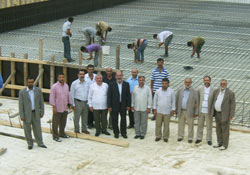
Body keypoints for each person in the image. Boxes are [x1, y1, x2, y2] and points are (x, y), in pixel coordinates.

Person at [18, 77, 47, 150]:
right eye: (29, 82)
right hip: (27, 114)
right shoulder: (22, 92)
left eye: (31, 82)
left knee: (37, 129)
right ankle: (30, 144)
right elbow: (20, 105)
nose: (30, 84)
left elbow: (41, 102)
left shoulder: (38, 91)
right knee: (27, 129)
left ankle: (40, 143)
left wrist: (42, 112)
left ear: (34, 82)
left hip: (36, 113)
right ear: (26, 82)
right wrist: (21, 115)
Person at [212, 79, 235, 150]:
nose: (222, 85)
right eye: (221, 83)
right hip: (217, 113)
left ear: (226, 84)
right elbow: (214, 101)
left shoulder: (230, 93)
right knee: (218, 129)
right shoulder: (216, 91)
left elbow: (233, 104)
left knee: (225, 130)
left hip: (225, 114)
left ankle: (225, 145)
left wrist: (231, 115)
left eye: (224, 84)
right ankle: (219, 142)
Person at [107, 71, 131, 139]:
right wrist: (109, 106)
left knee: (123, 119)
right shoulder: (111, 84)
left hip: (123, 105)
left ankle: (123, 133)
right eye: (118, 76)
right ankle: (116, 133)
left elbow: (128, 96)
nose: (119, 77)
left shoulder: (126, 84)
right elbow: (109, 96)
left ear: (122, 76)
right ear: (115, 76)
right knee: (115, 120)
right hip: (114, 105)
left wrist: (128, 105)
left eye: (120, 75)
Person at [49, 73, 72, 142]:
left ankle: (62, 133)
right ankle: (55, 136)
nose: (61, 78)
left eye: (62, 77)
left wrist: (70, 103)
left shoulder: (66, 86)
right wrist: (53, 107)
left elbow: (68, 95)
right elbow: (52, 97)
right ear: (58, 78)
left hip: (64, 107)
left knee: (63, 122)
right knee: (55, 122)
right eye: (60, 77)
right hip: (57, 107)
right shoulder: (54, 87)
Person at [176, 78, 198, 143]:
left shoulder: (195, 91)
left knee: (190, 125)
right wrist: (176, 110)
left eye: (189, 82)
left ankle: (190, 138)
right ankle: (180, 136)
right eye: (186, 82)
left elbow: (197, 102)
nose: (187, 83)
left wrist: (196, 112)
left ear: (191, 83)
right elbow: (177, 100)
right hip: (181, 110)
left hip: (190, 111)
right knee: (180, 124)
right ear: (184, 82)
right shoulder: (180, 90)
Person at [195, 76, 214, 145]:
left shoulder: (213, 89)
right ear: (203, 81)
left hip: (208, 111)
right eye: (205, 80)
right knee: (200, 125)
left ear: (210, 81)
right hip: (201, 110)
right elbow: (196, 96)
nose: (206, 81)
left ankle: (209, 139)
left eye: (208, 80)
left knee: (209, 126)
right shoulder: (200, 88)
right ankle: (199, 138)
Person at [70, 70, 90, 134]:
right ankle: (76, 129)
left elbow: (89, 93)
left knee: (85, 116)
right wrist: (73, 104)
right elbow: (72, 94)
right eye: (80, 74)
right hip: (77, 102)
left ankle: (84, 129)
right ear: (78, 75)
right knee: (77, 117)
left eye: (83, 74)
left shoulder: (87, 83)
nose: (82, 75)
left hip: (85, 102)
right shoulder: (74, 83)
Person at [85, 64, 96, 129]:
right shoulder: (85, 77)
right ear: (87, 69)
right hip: (87, 96)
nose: (90, 71)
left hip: (94, 96)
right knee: (88, 111)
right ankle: (89, 123)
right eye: (89, 69)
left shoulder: (96, 76)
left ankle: (93, 122)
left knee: (94, 111)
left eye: (92, 69)